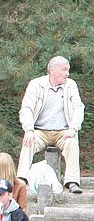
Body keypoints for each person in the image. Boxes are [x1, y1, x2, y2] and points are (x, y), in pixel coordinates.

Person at [16, 56, 84, 194]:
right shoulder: (36, 84)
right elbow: (26, 109)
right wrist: (29, 129)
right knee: (29, 140)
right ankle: (21, 179)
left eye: (68, 70)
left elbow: (78, 107)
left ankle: (72, 182)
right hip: (41, 131)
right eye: (64, 70)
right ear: (52, 70)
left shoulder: (71, 85)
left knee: (72, 143)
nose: (67, 74)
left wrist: (73, 128)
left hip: (63, 131)